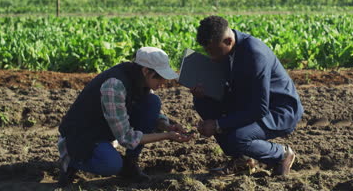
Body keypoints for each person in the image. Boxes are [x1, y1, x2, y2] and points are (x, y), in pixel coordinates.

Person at [57, 47, 192, 187]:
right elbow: (126, 138)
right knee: (111, 164)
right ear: (146, 71)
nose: (163, 83)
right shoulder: (115, 85)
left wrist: (167, 126)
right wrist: (167, 135)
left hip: (104, 129)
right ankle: (72, 160)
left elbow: (151, 114)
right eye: (160, 77)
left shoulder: (140, 79)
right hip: (82, 135)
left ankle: (130, 163)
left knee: (152, 102)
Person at [191, 16, 304, 176]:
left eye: (213, 52)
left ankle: (281, 154)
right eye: (208, 51)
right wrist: (204, 93)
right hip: (248, 102)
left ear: (228, 41)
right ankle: (242, 159)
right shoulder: (225, 51)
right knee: (203, 101)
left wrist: (217, 124)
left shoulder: (255, 55)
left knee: (238, 138)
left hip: (278, 110)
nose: (211, 57)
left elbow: (259, 109)